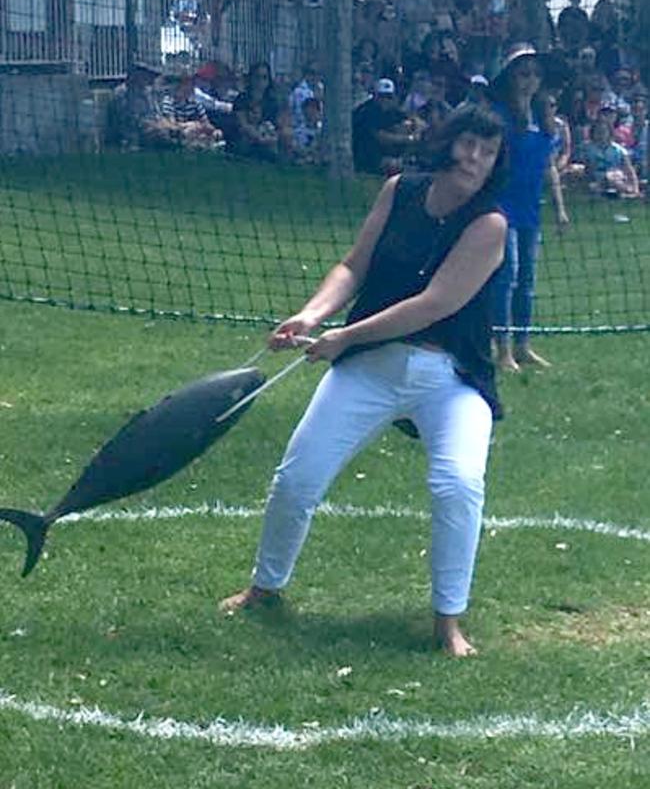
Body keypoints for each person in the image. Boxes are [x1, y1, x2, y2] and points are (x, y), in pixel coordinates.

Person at [220, 106, 509, 658]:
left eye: (488, 150)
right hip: (371, 368)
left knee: (458, 485)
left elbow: (435, 304)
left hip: (452, 378)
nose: (475, 157)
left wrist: (346, 336)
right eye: (468, 142)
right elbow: (353, 267)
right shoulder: (399, 191)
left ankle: (448, 621)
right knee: (297, 477)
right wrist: (311, 316)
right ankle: (264, 588)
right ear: (447, 142)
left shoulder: (490, 224)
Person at [490, 45, 570, 372]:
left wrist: (560, 208)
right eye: (523, 74)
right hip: (501, 207)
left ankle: (524, 345)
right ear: (510, 77)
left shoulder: (544, 117)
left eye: (535, 74)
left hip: (530, 210)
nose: (530, 81)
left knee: (527, 280)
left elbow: (548, 165)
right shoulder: (498, 115)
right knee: (505, 277)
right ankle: (503, 349)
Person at [352, 78, 420, 175]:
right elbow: (381, 137)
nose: (385, 100)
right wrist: (409, 139)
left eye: (389, 96)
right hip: (367, 156)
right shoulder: (366, 111)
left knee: (406, 125)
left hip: (385, 152)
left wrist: (416, 130)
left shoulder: (392, 110)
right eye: (381, 96)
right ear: (375, 96)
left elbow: (415, 120)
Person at [582, 116, 641, 198]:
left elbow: (629, 170)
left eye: (603, 132)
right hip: (597, 176)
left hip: (615, 175)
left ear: (609, 133)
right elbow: (587, 169)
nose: (600, 135)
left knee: (613, 179)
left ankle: (627, 191)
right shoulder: (588, 150)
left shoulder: (619, 150)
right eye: (597, 132)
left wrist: (635, 187)